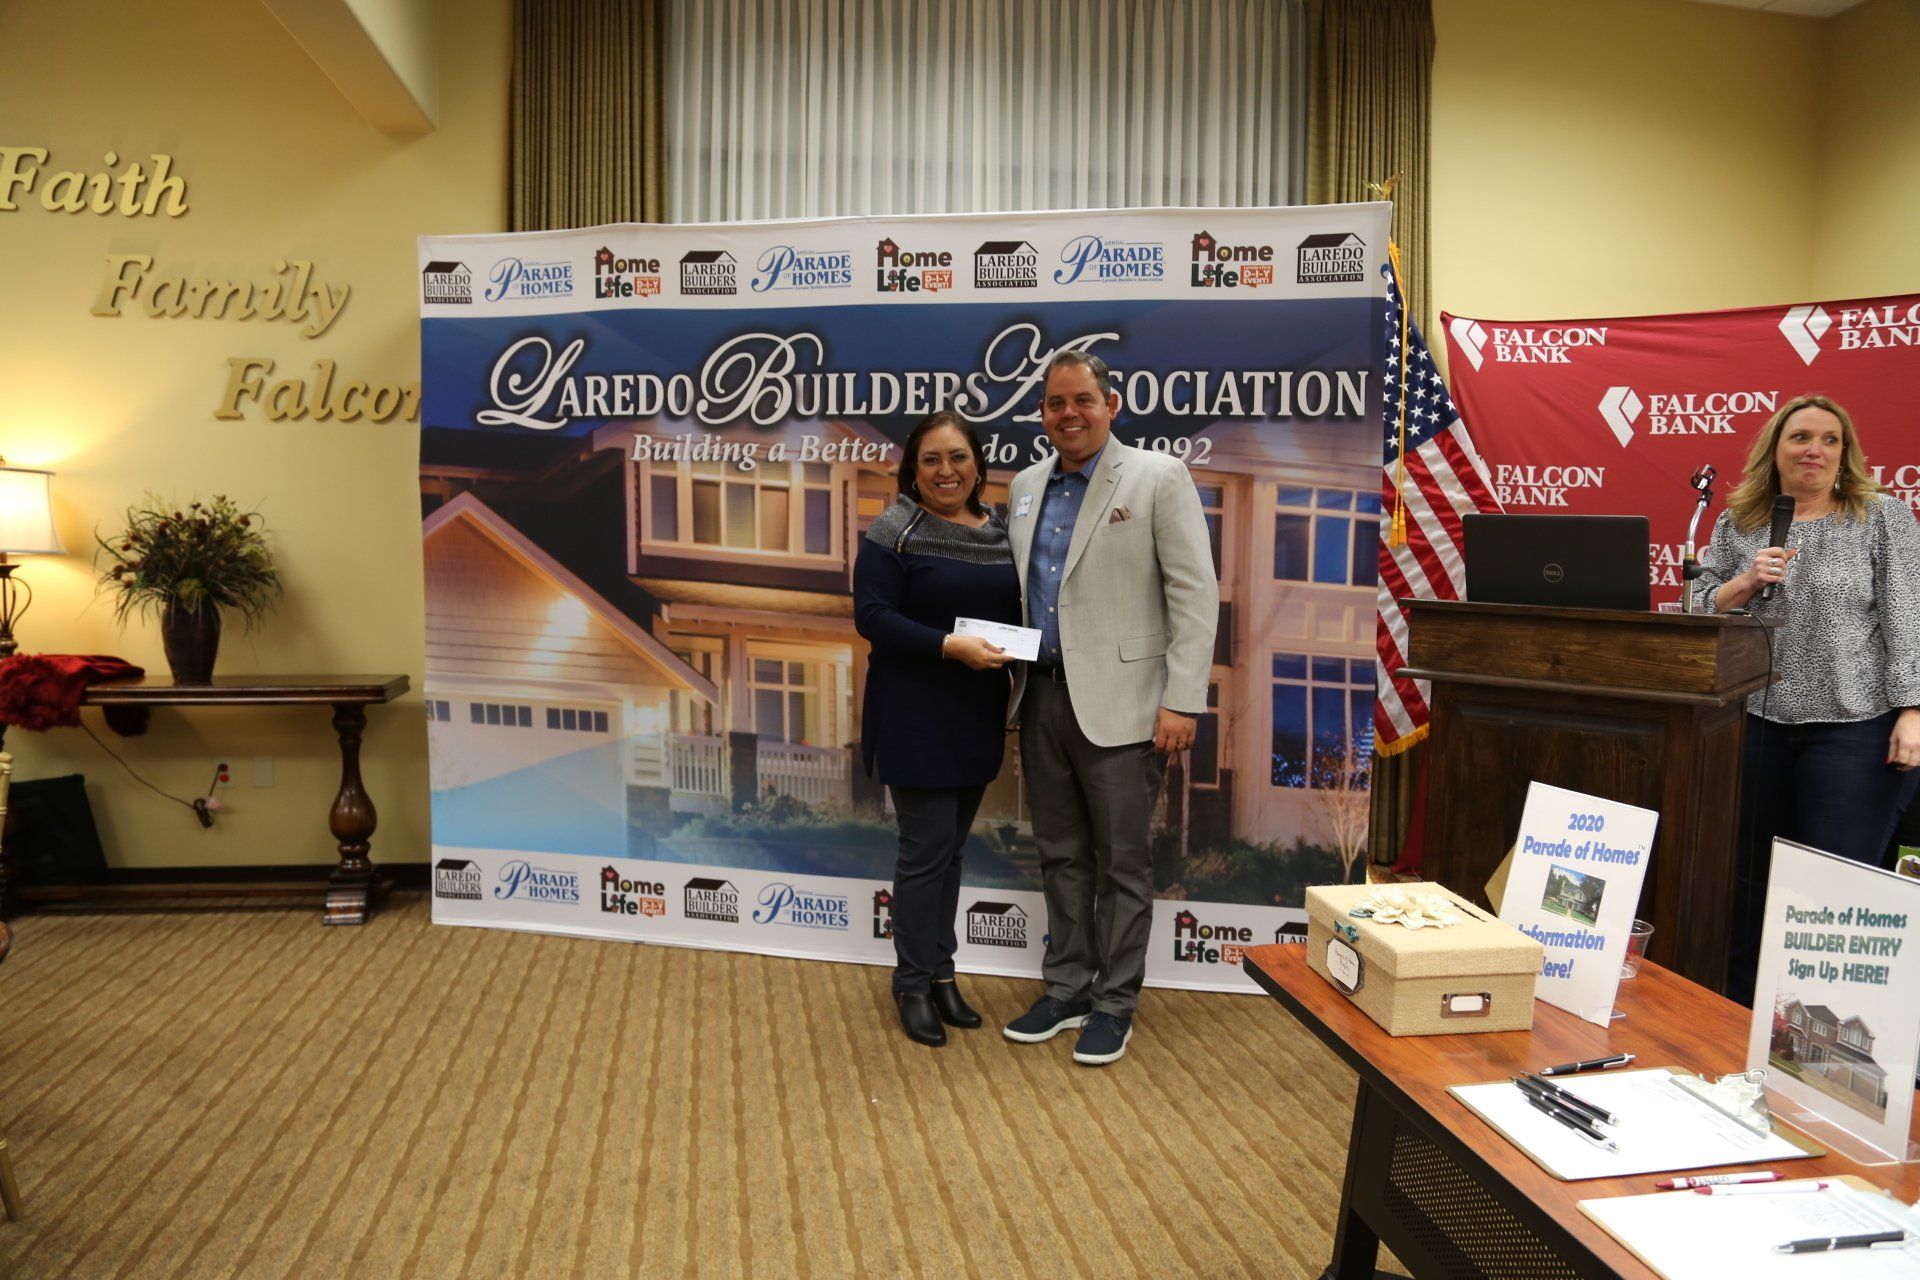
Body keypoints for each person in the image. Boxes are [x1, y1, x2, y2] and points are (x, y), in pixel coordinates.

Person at [999, 350, 1218, 1066]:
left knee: (1122, 863)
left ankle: (1114, 1003)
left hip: (1128, 707)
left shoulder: (1158, 476)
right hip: (1042, 698)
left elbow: (1194, 593)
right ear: (1042, 413)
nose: (1070, 414)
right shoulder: (1025, 487)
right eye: (1055, 403)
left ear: (1111, 405)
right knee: (1060, 855)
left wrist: (1182, 700)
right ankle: (1066, 989)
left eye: (1082, 400)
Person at [1692, 394, 1920, 1006]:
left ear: (1845, 454)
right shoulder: (1739, 522)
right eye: (1800, 438)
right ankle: (1738, 1015)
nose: (1814, 450)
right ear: (1775, 450)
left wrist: (1914, 710)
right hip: (1754, 720)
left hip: (1854, 726)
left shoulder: (1881, 517)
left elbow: (1908, 615)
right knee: (1749, 880)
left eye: (1829, 439)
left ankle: (1821, 1027)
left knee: (1832, 885)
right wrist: (1744, 581)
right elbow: (1697, 608)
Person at [854, 411, 1022, 1047]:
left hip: (976, 714)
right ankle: (912, 983)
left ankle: (942, 973)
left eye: (957, 457)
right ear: (912, 469)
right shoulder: (894, 529)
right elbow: (872, 616)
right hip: (913, 714)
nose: (945, 471)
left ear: (977, 465)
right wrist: (950, 646)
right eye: (931, 459)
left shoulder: (1000, 532)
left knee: (950, 852)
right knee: (924, 854)